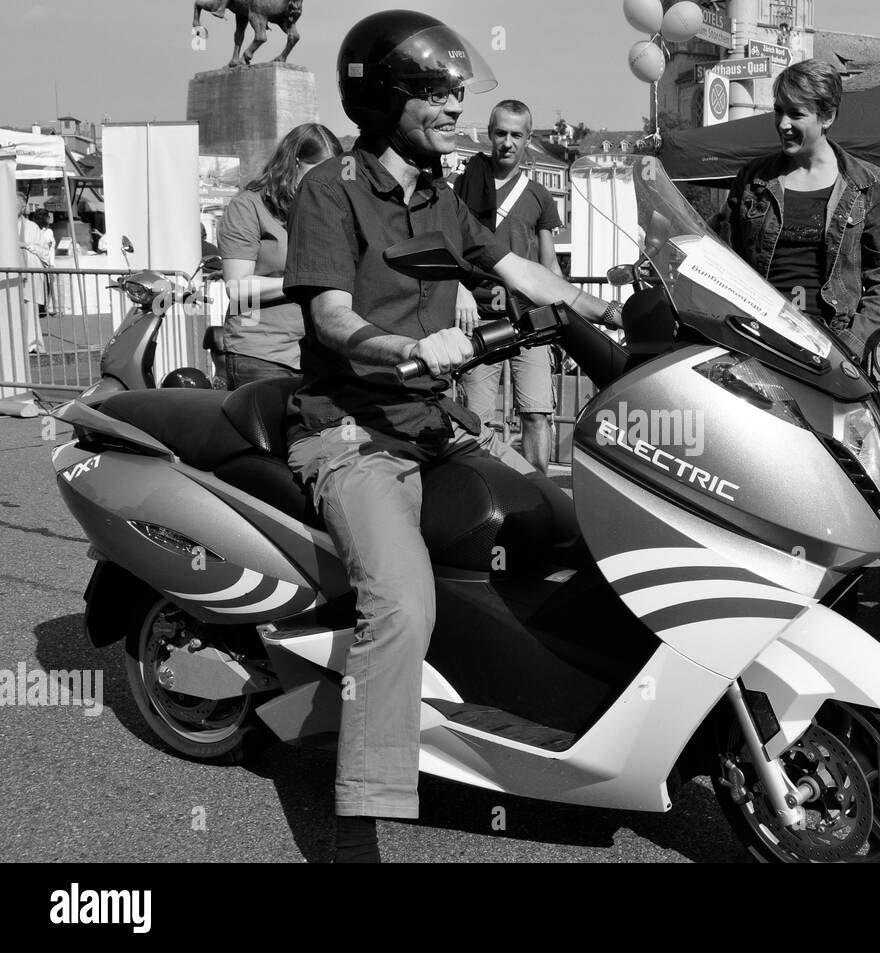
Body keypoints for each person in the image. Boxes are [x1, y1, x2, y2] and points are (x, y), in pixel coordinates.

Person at [282, 10, 618, 863]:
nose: (453, 105)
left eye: (457, 91)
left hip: (439, 425)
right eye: (436, 92)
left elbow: (518, 268)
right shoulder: (332, 189)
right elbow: (328, 314)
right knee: (401, 603)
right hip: (353, 431)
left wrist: (608, 307)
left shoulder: (442, 195)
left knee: (565, 520)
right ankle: (360, 813)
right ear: (388, 97)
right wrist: (402, 346)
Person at [717, 58, 880, 369]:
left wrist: (851, 344)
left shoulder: (867, 183)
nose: (782, 124)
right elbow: (721, 251)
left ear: (827, 116)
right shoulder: (753, 178)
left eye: (796, 114)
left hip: (832, 347)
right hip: (759, 339)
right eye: (778, 111)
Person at [453, 99, 563, 473]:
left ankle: (541, 495)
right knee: (476, 421)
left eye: (517, 134)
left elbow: (550, 265)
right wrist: (459, 290)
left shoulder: (539, 196)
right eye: (501, 133)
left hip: (527, 320)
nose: (507, 142)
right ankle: (483, 492)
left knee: (536, 414)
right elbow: (448, 248)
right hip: (478, 318)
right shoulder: (461, 186)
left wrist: (571, 316)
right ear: (489, 133)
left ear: (529, 138)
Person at [218, 123, 343, 388]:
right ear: (294, 163)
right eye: (318, 173)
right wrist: (303, 281)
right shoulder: (248, 206)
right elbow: (238, 287)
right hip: (261, 355)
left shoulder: (327, 209)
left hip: (319, 355)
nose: (326, 183)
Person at [17, 209, 50, 353]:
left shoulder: (31, 227)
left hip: (28, 274)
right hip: (10, 273)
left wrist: (26, 245)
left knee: (29, 308)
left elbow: (44, 250)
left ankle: (32, 343)